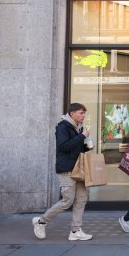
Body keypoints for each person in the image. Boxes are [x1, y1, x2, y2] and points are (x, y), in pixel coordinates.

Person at [32, 103, 94, 241]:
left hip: (79, 169)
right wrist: (81, 137)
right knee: (67, 200)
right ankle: (41, 222)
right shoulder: (63, 127)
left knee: (82, 199)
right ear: (72, 114)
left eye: (84, 113)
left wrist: (86, 145)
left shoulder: (79, 128)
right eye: (81, 113)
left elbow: (76, 149)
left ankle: (75, 230)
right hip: (66, 169)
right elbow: (63, 147)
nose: (83, 116)